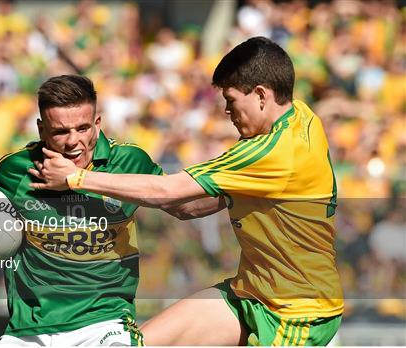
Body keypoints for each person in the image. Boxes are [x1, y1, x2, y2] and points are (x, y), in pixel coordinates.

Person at [30, 37, 344, 346]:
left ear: (261, 95)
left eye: (231, 100)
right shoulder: (300, 116)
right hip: (251, 295)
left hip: (296, 317)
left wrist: (77, 178)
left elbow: (168, 190)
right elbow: (190, 205)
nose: (226, 111)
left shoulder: (272, 152)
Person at [0, 74, 223, 346]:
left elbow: (187, 206)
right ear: (41, 129)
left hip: (104, 325)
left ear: (97, 123)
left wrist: (243, 192)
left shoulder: (130, 162)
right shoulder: (14, 169)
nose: (73, 141)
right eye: (60, 132)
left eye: (83, 128)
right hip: (28, 330)